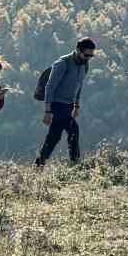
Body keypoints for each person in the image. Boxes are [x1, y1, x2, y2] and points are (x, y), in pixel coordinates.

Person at [37, 37, 96, 167]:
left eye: (91, 55)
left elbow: (79, 85)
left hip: (68, 105)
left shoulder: (84, 65)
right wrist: (47, 111)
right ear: (78, 50)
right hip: (57, 105)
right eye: (86, 55)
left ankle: (39, 163)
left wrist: (76, 105)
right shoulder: (63, 63)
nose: (88, 58)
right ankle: (75, 164)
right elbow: (49, 87)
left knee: (54, 136)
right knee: (73, 129)